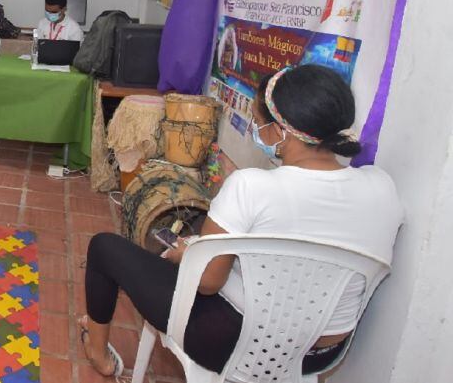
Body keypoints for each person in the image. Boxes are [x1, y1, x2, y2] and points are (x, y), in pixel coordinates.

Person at [78, 65, 403, 377]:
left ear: (281, 131)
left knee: (105, 248)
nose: (256, 130)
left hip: (235, 345)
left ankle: (98, 351)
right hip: (319, 356)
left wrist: (187, 255)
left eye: (259, 122)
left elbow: (208, 282)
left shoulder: (251, 186)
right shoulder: (382, 188)